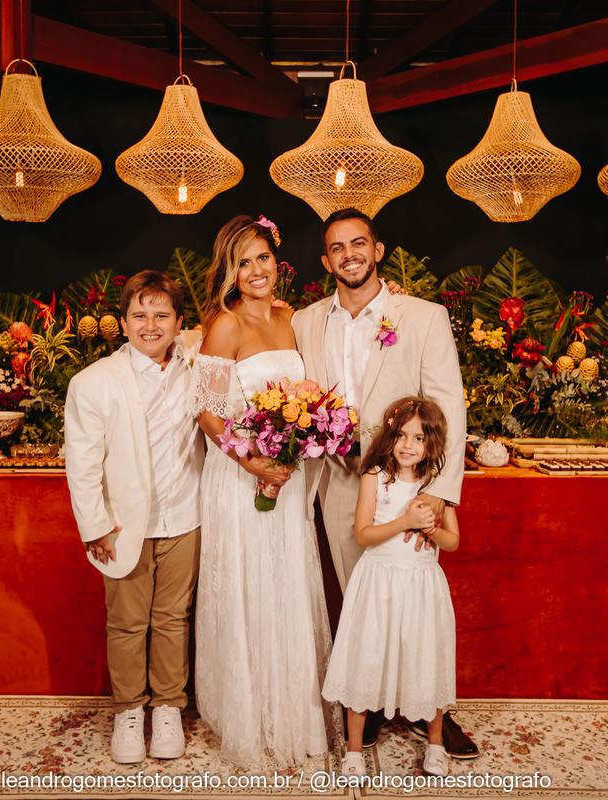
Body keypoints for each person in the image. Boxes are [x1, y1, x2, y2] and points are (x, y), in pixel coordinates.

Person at [292, 207, 477, 758]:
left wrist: (437, 492)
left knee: (412, 596)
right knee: (362, 600)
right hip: (338, 478)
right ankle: (369, 702)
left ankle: (427, 710)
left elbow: (449, 404)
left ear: (377, 251)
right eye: (337, 247)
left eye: (359, 243)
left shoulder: (422, 316)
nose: (348, 254)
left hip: (406, 483)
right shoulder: (304, 321)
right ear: (326, 261)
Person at [191, 214, 335, 769]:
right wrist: (252, 462)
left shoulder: (290, 318)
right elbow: (207, 411)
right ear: (229, 271)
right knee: (249, 585)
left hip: (287, 478)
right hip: (240, 477)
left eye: (263, 258)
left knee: (286, 584)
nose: (256, 270)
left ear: (278, 261)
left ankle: (293, 712)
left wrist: (294, 448)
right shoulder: (224, 326)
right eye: (243, 262)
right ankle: (250, 716)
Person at [63, 271, 203, 765]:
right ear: (122, 323)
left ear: (180, 323)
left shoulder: (197, 365)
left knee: (172, 619)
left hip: (185, 515)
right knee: (126, 622)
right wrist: (94, 525)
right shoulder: (93, 382)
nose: (151, 325)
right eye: (139, 315)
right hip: (123, 524)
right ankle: (128, 711)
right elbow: (81, 462)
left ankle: (167, 709)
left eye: (162, 315)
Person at [321, 397, 461, 778]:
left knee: (425, 658)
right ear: (390, 435)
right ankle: (353, 752)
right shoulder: (375, 476)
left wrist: (431, 529)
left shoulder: (436, 484)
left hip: (421, 586)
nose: (407, 445)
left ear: (432, 443)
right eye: (401, 435)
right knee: (366, 659)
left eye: (419, 438)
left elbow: (453, 541)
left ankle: (435, 744)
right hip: (377, 583)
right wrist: (406, 522)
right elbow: (363, 534)